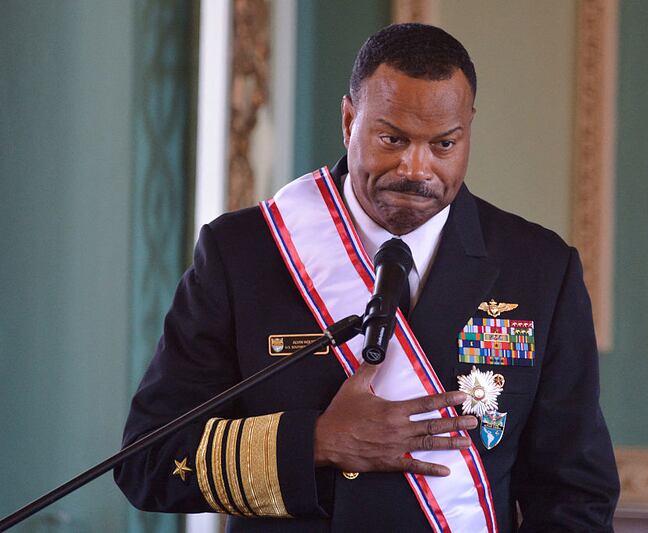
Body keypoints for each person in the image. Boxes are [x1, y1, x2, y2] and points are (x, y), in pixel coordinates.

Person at [115, 23, 619, 532]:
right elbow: (147, 461)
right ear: (349, 120)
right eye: (391, 138)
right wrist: (315, 442)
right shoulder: (243, 253)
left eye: (443, 145)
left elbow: (575, 494)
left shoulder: (538, 269)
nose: (415, 168)